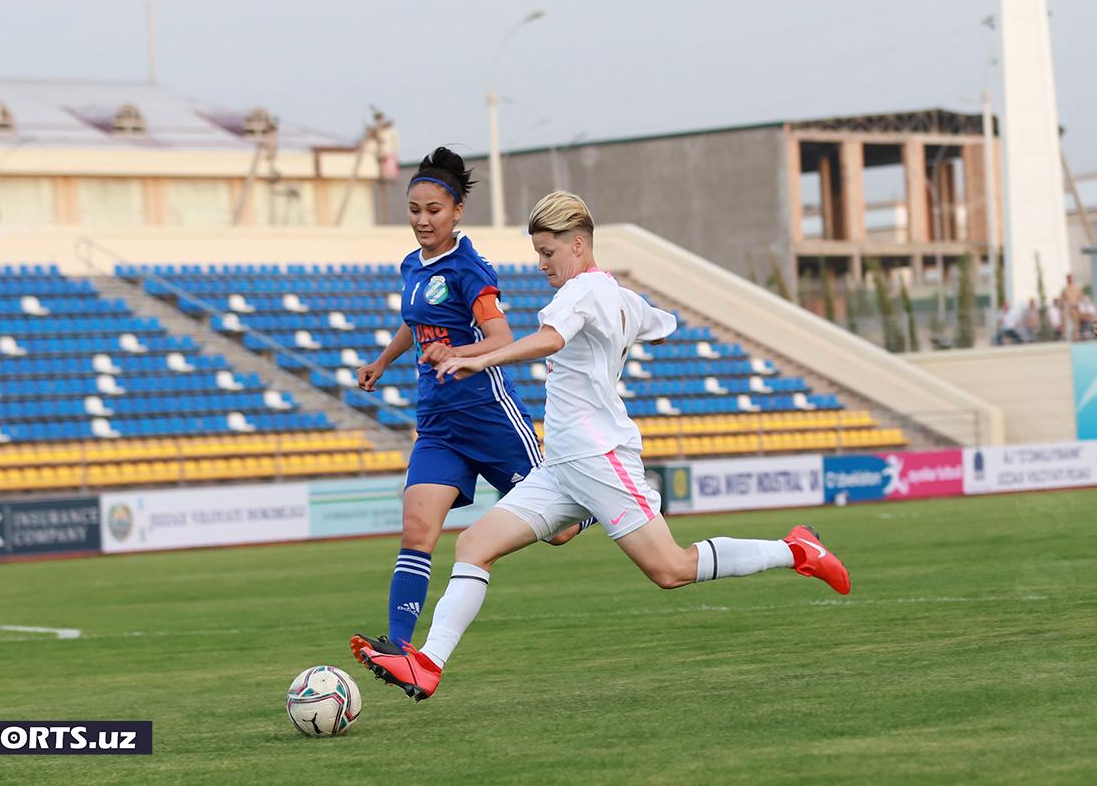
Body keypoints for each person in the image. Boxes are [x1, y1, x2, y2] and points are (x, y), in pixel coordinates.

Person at [352, 191, 851, 701]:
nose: (542, 264)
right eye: (538, 254)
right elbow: (661, 325)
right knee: (475, 545)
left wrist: (482, 359)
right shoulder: (614, 294)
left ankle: (796, 550)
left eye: (548, 253)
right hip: (562, 465)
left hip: (598, 457)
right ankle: (428, 665)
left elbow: (549, 339)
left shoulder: (579, 293)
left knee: (671, 569)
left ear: (578, 243)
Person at [352, 150, 589, 656]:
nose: (421, 219)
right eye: (414, 209)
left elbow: (501, 335)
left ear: (456, 210)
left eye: (433, 210)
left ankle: (599, 497)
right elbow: (415, 323)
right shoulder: (411, 266)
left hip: (489, 417)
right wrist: (383, 361)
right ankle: (397, 650)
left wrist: (456, 351)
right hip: (437, 423)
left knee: (561, 532)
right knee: (417, 528)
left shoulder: (469, 268)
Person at [1061, 273, 1083, 341]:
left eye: (1071, 277)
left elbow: (1081, 299)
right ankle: (1069, 339)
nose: (1070, 279)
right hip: (1068, 309)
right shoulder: (1065, 290)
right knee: (1069, 325)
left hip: (1076, 309)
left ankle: (1077, 339)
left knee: (1077, 326)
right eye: (1068, 278)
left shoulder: (1077, 289)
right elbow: (1062, 300)